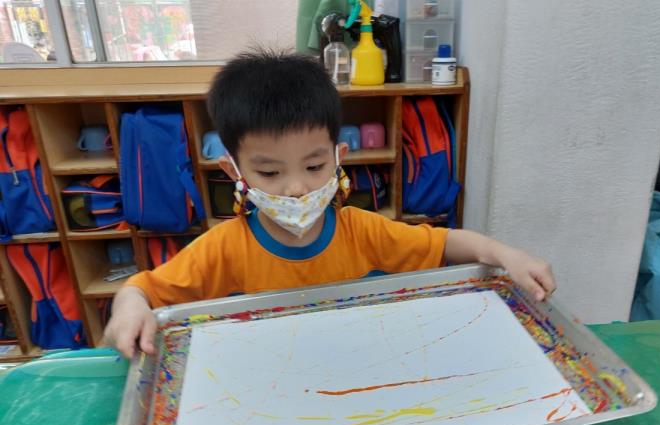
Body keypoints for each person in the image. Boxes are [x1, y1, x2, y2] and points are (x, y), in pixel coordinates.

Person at [104, 50, 555, 359]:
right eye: (270, 173)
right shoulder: (221, 249)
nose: (296, 188)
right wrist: (129, 308)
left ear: (339, 158)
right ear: (233, 171)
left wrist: (505, 254)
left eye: (314, 166)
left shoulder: (363, 230)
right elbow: (140, 290)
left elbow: (446, 243)